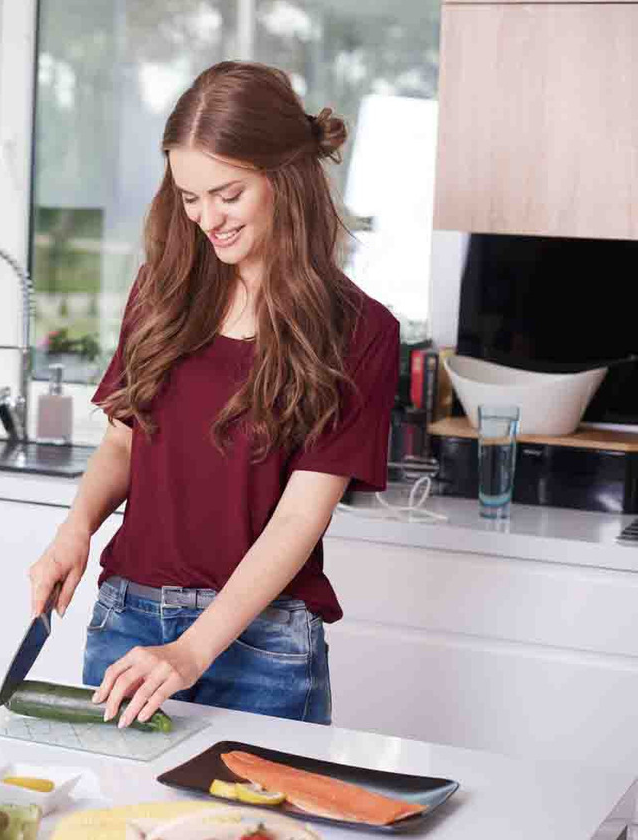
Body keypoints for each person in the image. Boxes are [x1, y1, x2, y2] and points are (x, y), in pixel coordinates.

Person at [28, 61, 398, 729]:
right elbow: (124, 440)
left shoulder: (361, 331)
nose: (207, 219)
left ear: (284, 176)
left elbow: (298, 521)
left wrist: (191, 652)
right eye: (189, 198)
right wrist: (75, 528)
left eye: (227, 194)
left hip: (266, 645)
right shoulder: (161, 295)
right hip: (128, 626)